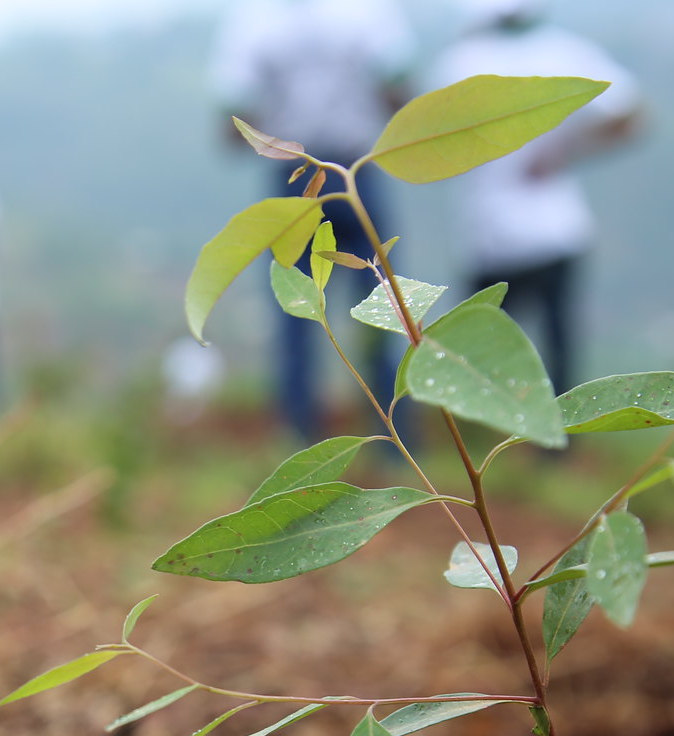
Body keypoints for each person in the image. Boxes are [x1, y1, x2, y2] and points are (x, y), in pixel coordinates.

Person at [209, 0, 416, 442]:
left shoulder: (253, 20)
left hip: (294, 179)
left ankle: (300, 435)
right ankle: (396, 437)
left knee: (297, 310)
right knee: (384, 306)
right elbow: (399, 87)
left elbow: (232, 119)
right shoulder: (367, 12)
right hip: (358, 174)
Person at [428, 0, 645, 395]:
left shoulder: (460, 61)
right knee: (557, 345)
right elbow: (630, 113)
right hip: (554, 227)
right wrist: (567, 151)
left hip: (488, 232)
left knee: (477, 354)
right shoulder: (566, 52)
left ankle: (488, 438)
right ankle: (558, 441)